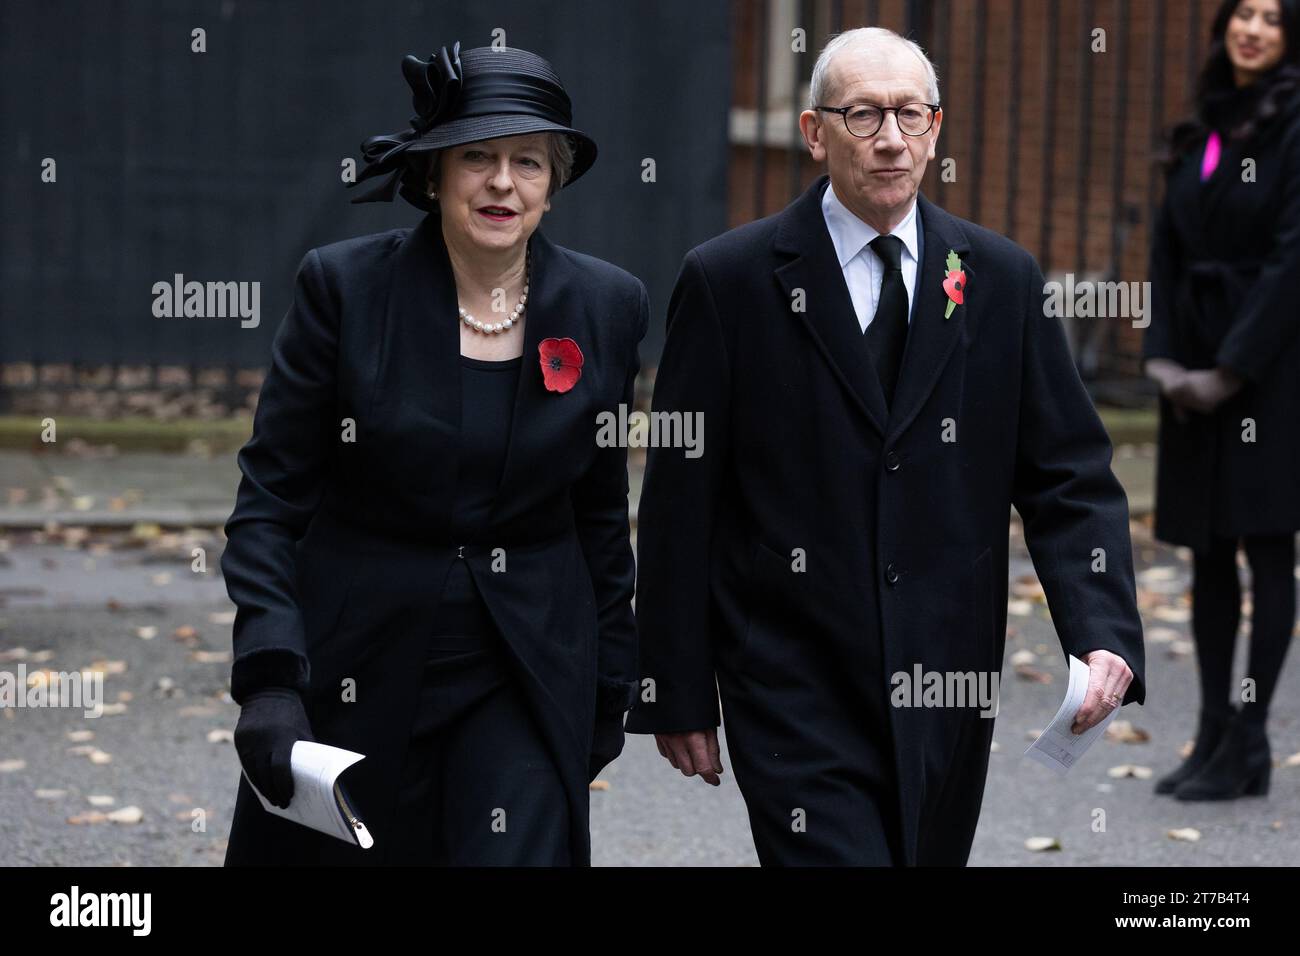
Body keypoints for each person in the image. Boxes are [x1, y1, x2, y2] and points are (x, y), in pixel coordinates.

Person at [624, 26, 1146, 865]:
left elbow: (1069, 476)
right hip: (792, 680)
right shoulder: (731, 280)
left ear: (937, 129)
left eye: (911, 114)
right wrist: (675, 688)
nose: (892, 140)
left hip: (946, 679)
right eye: (863, 115)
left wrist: (1104, 628)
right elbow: (683, 501)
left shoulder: (1001, 279)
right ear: (813, 132)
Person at [221, 42, 647, 865]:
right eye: (477, 157)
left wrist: (609, 684)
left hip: (522, 671)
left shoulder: (606, 304)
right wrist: (270, 681)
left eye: (528, 161)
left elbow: (599, 510)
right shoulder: (343, 290)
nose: (502, 182)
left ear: (553, 183)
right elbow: (270, 501)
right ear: (434, 175)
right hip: (358, 665)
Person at [1144, 0, 1300, 801]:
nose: (1253, 28)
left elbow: (1292, 261)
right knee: (1205, 549)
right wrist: (1165, 357)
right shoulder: (1205, 123)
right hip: (1193, 372)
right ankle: (1209, 732)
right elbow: (1168, 249)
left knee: (1266, 547)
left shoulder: (1294, 122)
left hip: (1268, 376)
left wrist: (1230, 370)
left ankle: (1249, 740)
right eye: (1243, 11)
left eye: (1273, 17)